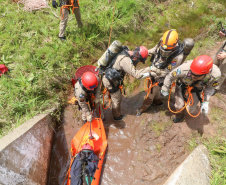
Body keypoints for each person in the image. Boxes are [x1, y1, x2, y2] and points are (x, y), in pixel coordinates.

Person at [136, 29, 192, 116]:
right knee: (155, 92)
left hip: (163, 75)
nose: (164, 52)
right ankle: (157, 101)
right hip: (157, 66)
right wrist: (147, 53)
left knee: (151, 92)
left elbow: (167, 72)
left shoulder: (178, 57)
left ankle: (142, 108)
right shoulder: (163, 41)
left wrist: (152, 71)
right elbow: (156, 49)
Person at [161, 55, 221, 123]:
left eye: (197, 75)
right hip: (181, 86)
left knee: (191, 110)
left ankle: (187, 103)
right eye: (192, 73)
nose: (193, 76)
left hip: (196, 90)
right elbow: (170, 75)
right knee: (178, 106)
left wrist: (205, 102)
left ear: (206, 74)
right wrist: (165, 88)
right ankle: (179, 115)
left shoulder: (215, 75)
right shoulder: (184, 69)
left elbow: (210, 88)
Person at [102, 46, 150, 120]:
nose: (138, 61)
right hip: (109, 80)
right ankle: (116, 116)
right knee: (117, 99)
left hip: (112, 77)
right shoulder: (126, 60)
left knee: (116, 96)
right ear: (136, 56)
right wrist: (149, 70)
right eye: (139, 60)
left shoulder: (126, 51)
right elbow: (136, 75)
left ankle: (113, 107)